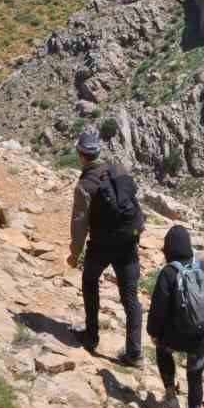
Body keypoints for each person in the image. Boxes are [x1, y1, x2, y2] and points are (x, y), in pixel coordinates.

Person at [67, 127, 144, 367]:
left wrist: (74, 253)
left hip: (101, 245)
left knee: (90, 282)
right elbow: (132, 199)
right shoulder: (117, 168)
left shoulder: (85, 185)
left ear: (81, 155)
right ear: (98, 151)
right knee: (130, 298)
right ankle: (134, 353)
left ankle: (91, 336)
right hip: (128, 243)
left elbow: (80, 223)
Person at [146, 224, 204, 408]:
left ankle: (170, 395)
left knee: (162, 348)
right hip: (201, 336)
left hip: (174, 335)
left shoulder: (169, 273)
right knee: (195, 376)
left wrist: (153, 332)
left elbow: (158, 309)